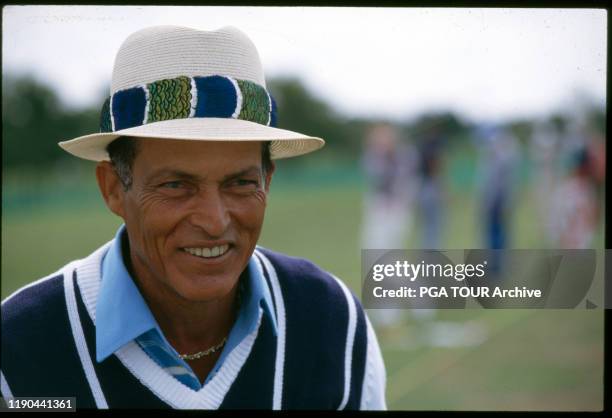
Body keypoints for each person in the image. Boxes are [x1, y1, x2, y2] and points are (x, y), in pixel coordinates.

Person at [1, 25, 386, 410]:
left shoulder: (333, 322)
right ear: (114, 188)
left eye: (240, 183)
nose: (214, 221)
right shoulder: (18, 348)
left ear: (267, 181)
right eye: (175, 185)